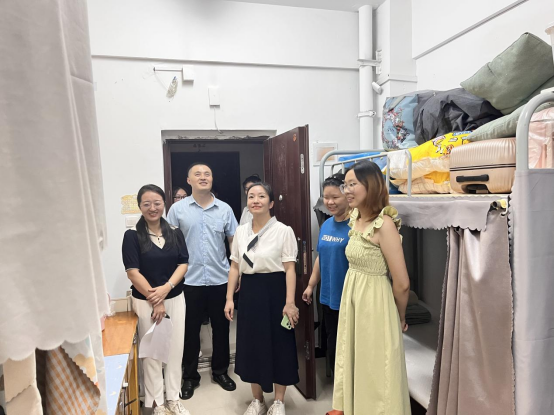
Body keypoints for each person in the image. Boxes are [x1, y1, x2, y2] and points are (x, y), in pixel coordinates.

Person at [332, 161, 411, 415]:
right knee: (358, 364)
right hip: (354, 299)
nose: (347, 190)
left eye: (352, 184)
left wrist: (399, 317)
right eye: (345, 185)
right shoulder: (356, 218)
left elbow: (402, 283)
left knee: (376, 372)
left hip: (375, 305)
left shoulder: (384, 224)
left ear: (371, 185)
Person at [225, 182, 300, 416]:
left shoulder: (283, 231)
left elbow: (290, 269)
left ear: (271, 203)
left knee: (280, 344)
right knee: (251, 344)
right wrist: (229, 298)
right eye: (251, 196)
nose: (255, 200)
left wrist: (290, 302)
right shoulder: (241, 232)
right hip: (250, 292)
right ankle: (257, 400)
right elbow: (235, 267)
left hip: (276, 291)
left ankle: (278, 401)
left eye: (261, 196)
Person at [167, 163, 239, 400]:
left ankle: (220, 372)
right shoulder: (177, 210)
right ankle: (190, 377)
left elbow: (233, 242)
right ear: (189, 181)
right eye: (197, 174)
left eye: (207, 174)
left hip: (220, 279)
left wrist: (236, 272)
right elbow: (170, 245)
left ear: (212, 179)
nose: (203, 177)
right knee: (189, 331)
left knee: (222, 328)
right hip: (189, 281)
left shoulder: (225, 209)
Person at [122, 185, 190, 416]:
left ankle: (173, 398)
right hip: (146, 303)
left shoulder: (174, 232)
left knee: (175, 350)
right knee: (152, 352)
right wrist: (156, 299)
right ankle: (156, 403)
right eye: (147, 204)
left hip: (175, 298)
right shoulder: (132, 235)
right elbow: (133, 272)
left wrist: (167, 287)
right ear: (140, 206)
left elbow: (183, 264)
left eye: (157, 203)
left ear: (164, 204)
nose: (152, 208)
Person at [302, 174, 350, 373]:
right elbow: (320, 258)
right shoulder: (326, 225)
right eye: (326, 197)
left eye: (335, 197)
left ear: (347, 195)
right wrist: (311, 285)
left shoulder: (357, 226)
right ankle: (338, 385)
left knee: (350, 347)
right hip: (328, 296)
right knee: (333, 342)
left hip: (349, 297)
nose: (329, 202)